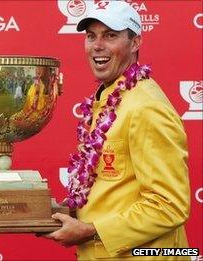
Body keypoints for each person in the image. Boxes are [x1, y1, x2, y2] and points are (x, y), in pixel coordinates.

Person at [41, 1, 190, 260]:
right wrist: (72, 212)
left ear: (135, 43)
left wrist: (90, 230)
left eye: (111, 35)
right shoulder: (111, 97)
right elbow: (113, 188)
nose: (98, 45)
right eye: (91, 36)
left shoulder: (146, 107)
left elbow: (169, 206)